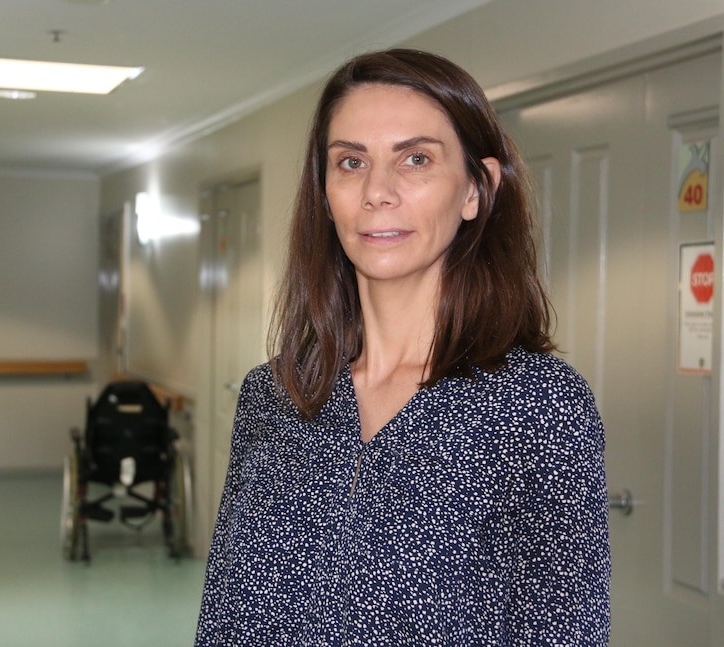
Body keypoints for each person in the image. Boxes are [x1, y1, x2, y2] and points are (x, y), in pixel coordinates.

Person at [194, 48, 610, 646]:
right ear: (326, 191)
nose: (377, 191)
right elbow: (224, 618)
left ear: (476, 189)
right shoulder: (275, 395)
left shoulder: (538, 406)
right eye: (350, 162)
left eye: (415, 159)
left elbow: (566, 630)